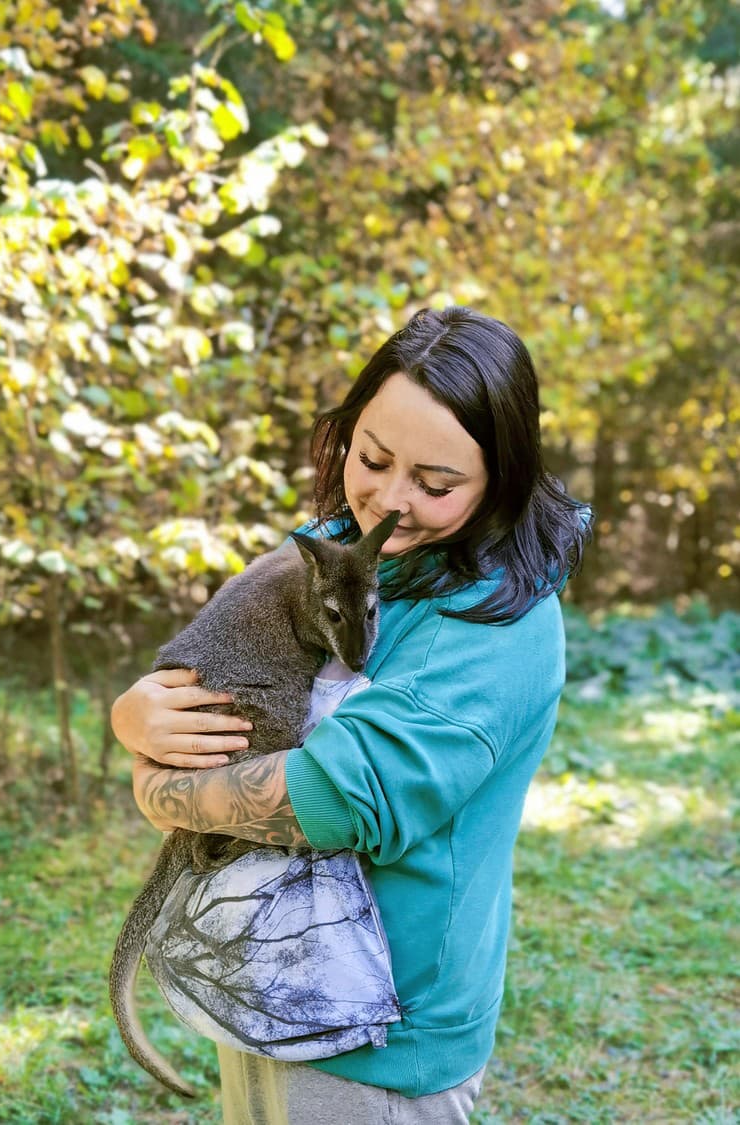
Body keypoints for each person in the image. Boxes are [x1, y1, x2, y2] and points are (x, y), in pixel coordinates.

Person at [111, 305, 591, 1124]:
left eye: (435, 485)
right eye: (372, 458)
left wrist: (157, 789)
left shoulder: (496, 623)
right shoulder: (357, 547)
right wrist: (138, 712)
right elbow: (227, 646)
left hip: (376, 1033)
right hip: (274, 972)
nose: (389, 502)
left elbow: (335, 797)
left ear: (500, 482)